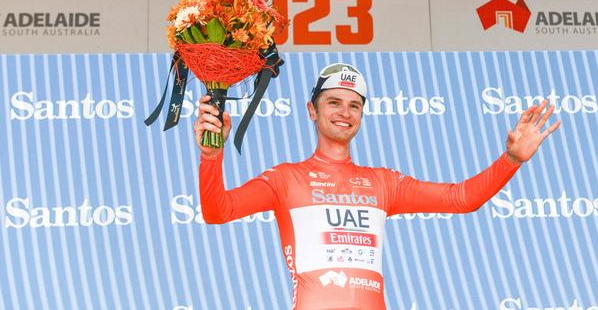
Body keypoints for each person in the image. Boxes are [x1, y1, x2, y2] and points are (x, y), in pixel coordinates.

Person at [196, 63, 561, 310]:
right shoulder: (284, 179)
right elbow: (217, 211)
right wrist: (211, 156)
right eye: (334, 102)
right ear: (312, 110)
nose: (345, 112)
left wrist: (510, 160)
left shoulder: (383, 183)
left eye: (355, 105)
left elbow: (462, 198)